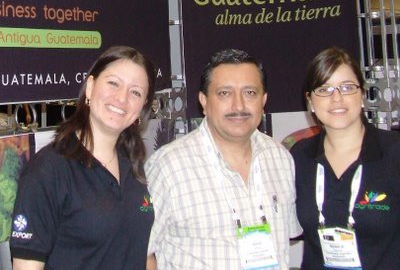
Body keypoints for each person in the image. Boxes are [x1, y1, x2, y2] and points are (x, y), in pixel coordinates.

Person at [146, 48, 301, 270]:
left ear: (264, 100)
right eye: (225, 93)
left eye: (250, 93)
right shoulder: (168, 167)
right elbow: (141, 251)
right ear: (204, 101)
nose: (239, 106)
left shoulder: (281, 159)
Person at [9, 46, 157, 270]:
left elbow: (143, 254)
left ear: (143, 106)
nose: (122, 98)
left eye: (135, 92)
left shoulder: (133, 166)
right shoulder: (49, 170)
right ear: (90, 87)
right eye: (113, 83)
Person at [291, 47, 400, 269]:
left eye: (347, 87)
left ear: (362, 95)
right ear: (310, 101)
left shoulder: (394, 152)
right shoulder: (299, 157)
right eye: (324, 89)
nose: (337, 98)